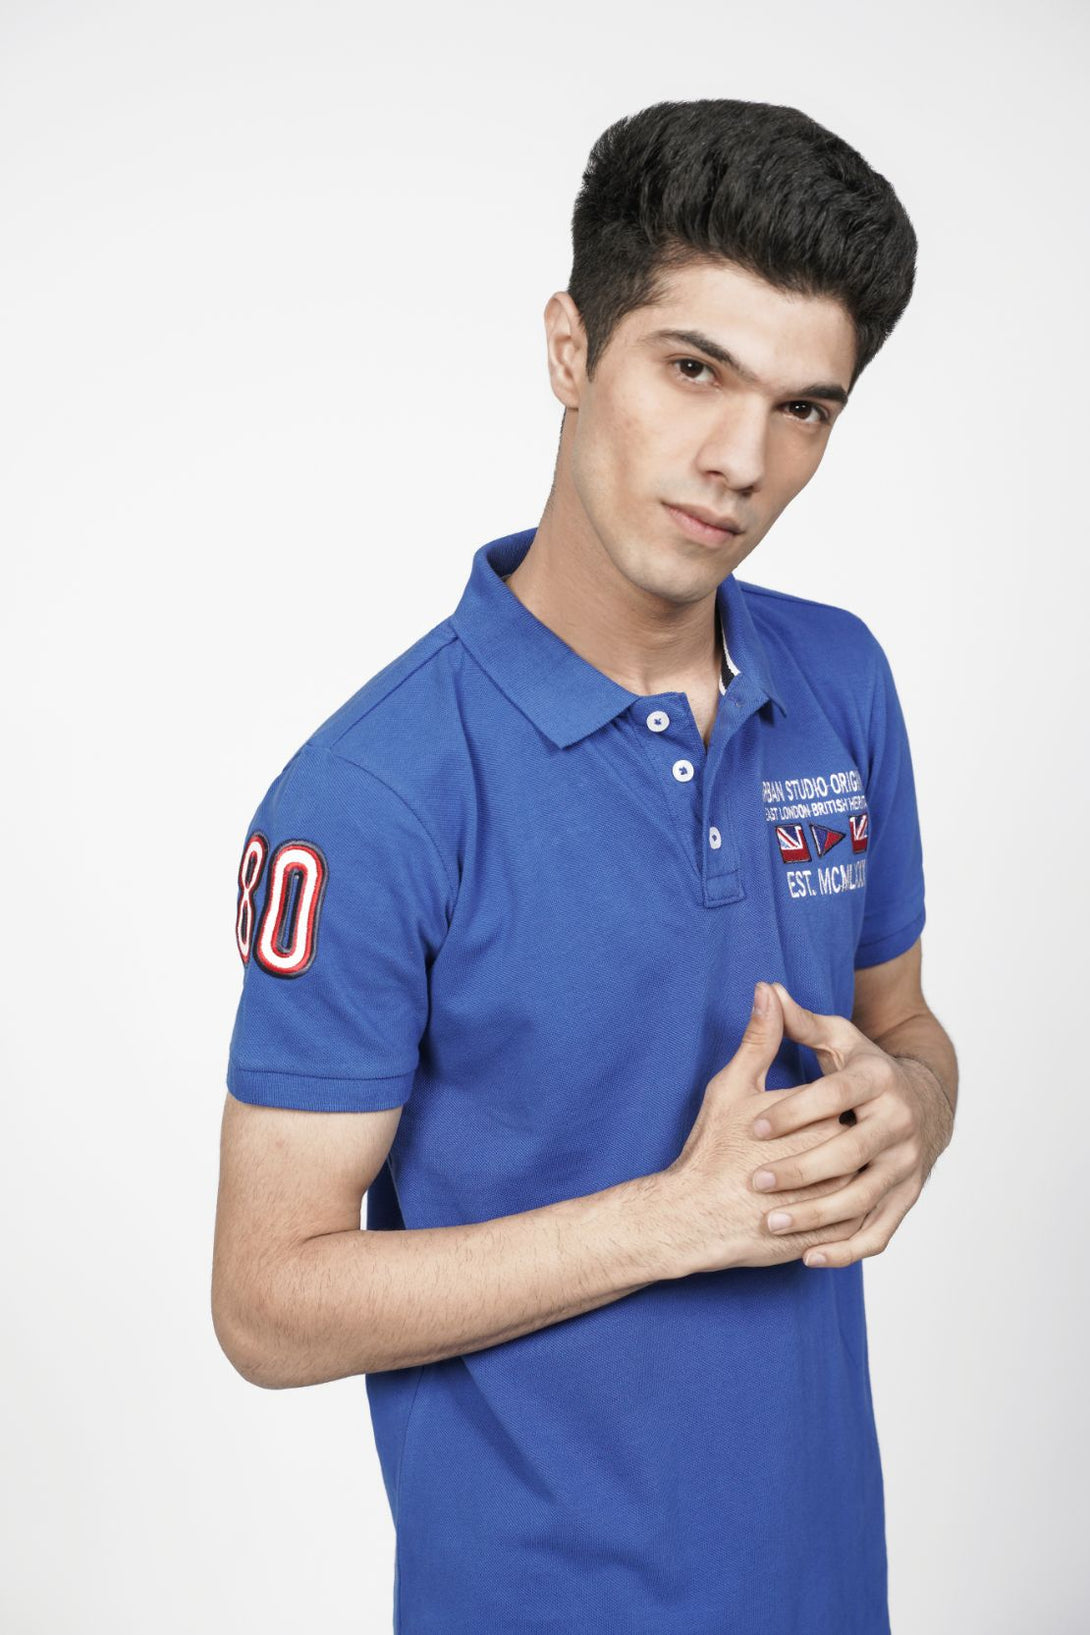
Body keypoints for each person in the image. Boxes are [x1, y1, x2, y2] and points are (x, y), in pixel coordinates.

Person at [212, 97, 958, 1634]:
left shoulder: (842, 681)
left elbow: (903, 1030)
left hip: (828, 1589)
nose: (739, 459)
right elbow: (266, 1305)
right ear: (570, 348)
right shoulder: (375, 794)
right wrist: (673, 1219)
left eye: (803, 409)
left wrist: (914, 1113)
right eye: (692, 370)